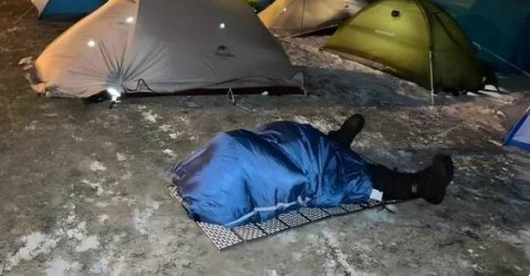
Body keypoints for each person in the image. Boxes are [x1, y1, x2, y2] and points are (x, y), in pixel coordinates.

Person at [171, 114, 454, 228]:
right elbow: (290, 185)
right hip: (293, 170)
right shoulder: (206, 197)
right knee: (345, 181)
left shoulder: (192, 185)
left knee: (290, 139)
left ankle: (334, 144)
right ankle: (422, 186)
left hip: (264, 150)